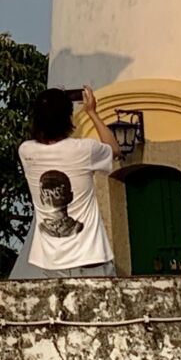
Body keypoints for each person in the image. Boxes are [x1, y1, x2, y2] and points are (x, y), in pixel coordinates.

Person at [10, 85, 119, 278]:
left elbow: (39, 139)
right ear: (68, 118)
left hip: (51, 262)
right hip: (89, 256)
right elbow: (114, 150)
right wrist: (92, 112)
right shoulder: (84, 149)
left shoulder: (26, 151)